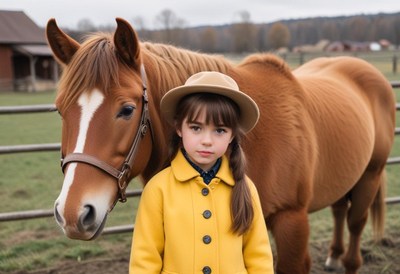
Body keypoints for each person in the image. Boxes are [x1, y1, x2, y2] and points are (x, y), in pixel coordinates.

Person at [129, 71, 274, 274]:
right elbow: (144, 261)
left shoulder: (246, 188)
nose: (207, 140)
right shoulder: (158, 189)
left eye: (220, 130)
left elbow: (259, 259)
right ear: (179, 128)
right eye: (196, 128)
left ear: (232, 135)